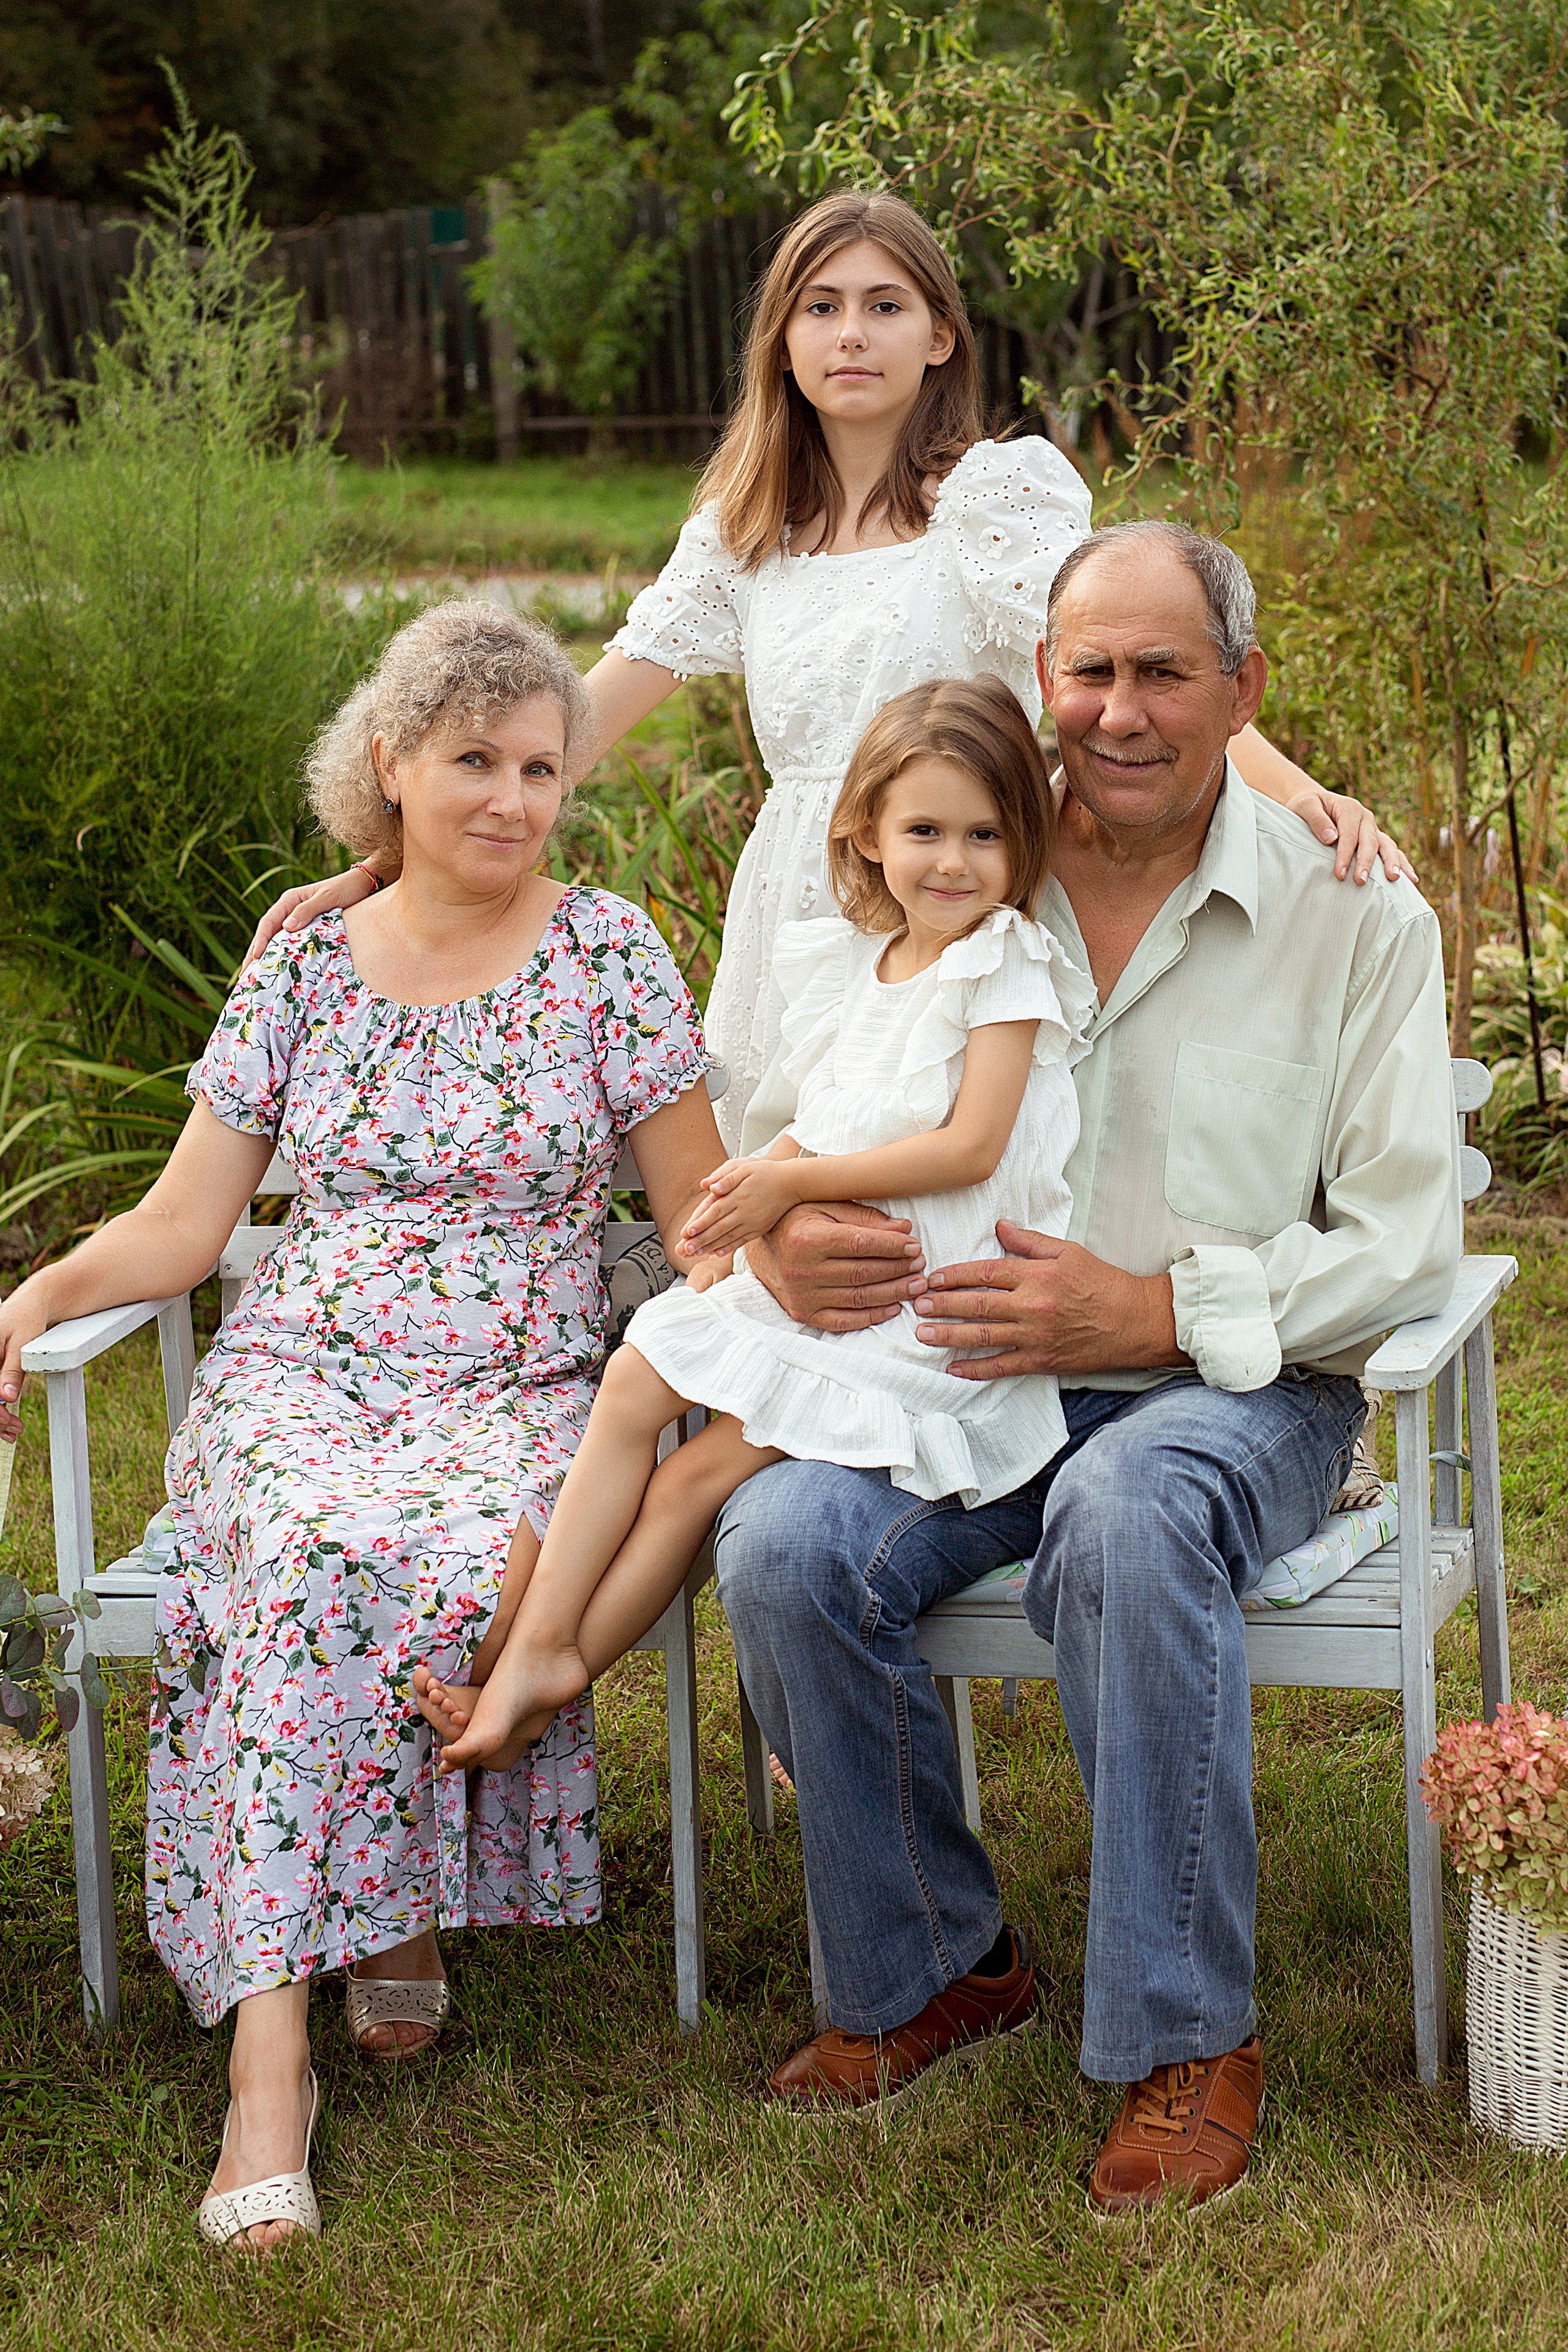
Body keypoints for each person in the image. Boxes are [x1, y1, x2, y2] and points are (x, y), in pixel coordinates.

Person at [714, 521, 1462, 2211]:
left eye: (1163, 672)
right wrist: (783, 1237)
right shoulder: (958, 860)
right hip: (955, 1379)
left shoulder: (1349, 916)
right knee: (779, 1548)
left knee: (1127, 1513)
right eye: (1089, 670)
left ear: (1244, 690)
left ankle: (1186, 2037)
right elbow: (783, 1126)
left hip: (1238, 1391)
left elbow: (1404, 1243)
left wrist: (1154, 1315)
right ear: (1042, 680)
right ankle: (934, 1967)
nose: (1120, 712)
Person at [0, 603, 726, 2254]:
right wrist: (35, 1296)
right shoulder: (305, 964)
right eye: (473, 758)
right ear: (390, 765)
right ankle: (276, 2070)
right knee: (316, 1543)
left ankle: (379, 1907)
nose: (512, 797)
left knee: (440, 1548)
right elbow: (187, 1227)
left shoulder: (610, 952)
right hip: (304, 1375)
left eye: (541, 766)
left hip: (529, 1382)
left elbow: (697, 1226)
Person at [247, 190, 1412, 1152]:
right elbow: (576, 723)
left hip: (947, 891)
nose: (851, 334)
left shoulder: (994, 501)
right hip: (794, 899)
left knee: (927, 1178)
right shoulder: (745, 529)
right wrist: (394, 859)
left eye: (884, 305)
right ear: (785, 342)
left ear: (940, 335)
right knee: (783, 1191)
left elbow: (1125, 671)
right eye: (820, 307)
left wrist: (1301, 796)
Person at [412, 676, 1093, 1773]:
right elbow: (819, 1118)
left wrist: (792, 1188)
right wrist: (750, 1188)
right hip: (837, 1298)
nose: (954, 863)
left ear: (1024, 845)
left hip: (919, 1316)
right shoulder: (857, 971)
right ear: (865, 831)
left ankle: (548, 1666)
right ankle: (537, 1649)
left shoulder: (1001, 964)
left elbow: (971, 1147)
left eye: (985, 834)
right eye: (924, 830)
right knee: (636, 1390)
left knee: (694, 1477)